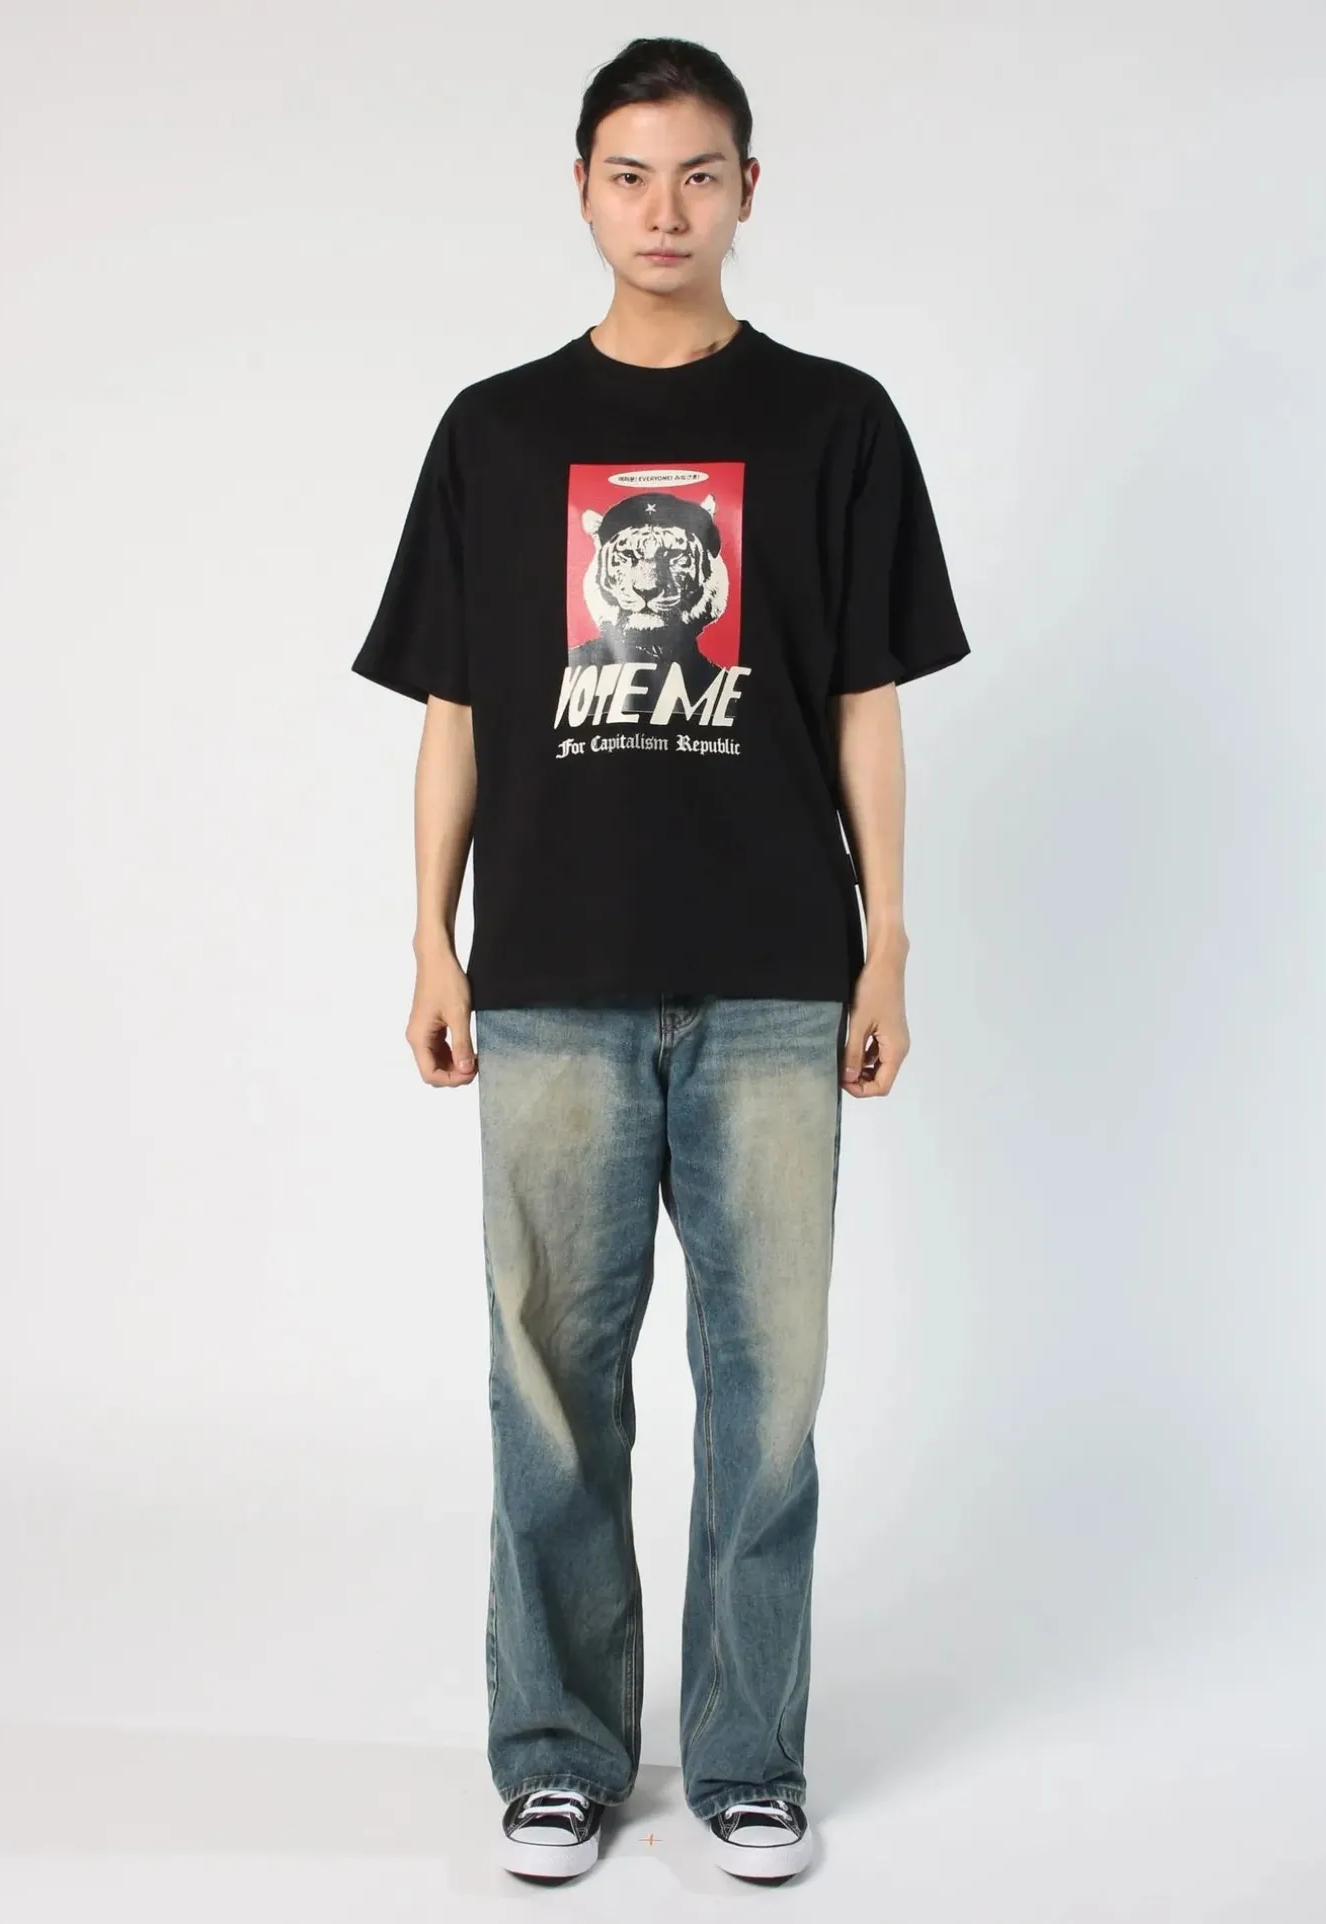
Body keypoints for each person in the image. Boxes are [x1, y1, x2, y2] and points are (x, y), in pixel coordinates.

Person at [350, 36, 971, 1886]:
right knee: (547, 1391)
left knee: (765, 1403)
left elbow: (863, 704)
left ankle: (748, 1760)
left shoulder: (834, 423)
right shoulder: (496, 431)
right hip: (549, 978)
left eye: (700, 173)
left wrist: (885, 942)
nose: (664, 209)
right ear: (580, 189)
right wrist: (429, 938)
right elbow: (457, 711)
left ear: (748, 190)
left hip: (778, 979)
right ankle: (557, 1755)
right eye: (629, 174)